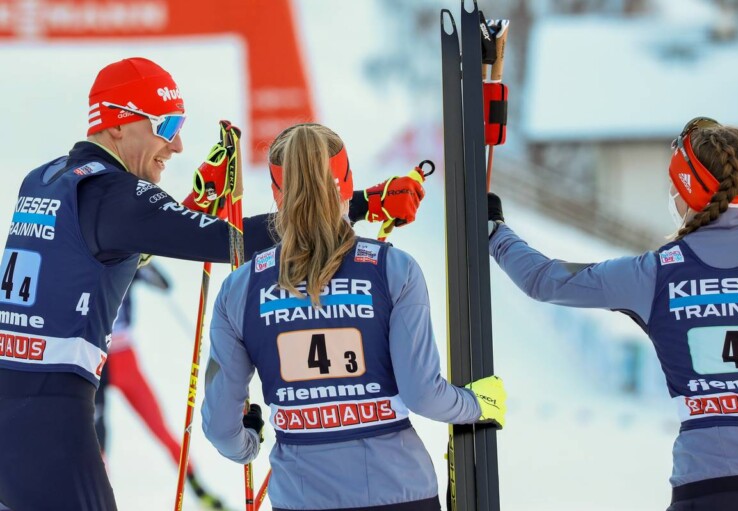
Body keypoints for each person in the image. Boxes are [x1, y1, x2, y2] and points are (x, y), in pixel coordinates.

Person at [0, 57, 427, 511]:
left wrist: (193, 205)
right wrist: (355, 204)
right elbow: (227, 241)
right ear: (119, 123)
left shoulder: (47, 180)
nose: (178, 144)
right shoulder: (114, 195)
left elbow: (109, 247)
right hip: (50, 417)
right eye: (167, 125)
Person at [201, 123, 507, 511]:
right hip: (400, 491)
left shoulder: (242, 287)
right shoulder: (394, 269)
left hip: (301, 497)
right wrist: (479, 404)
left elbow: (220, 426)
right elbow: (424, 394)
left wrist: (247, 444)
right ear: (347, 185)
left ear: (277, 194)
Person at [487, 117, 738, 511]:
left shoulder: (656, 273)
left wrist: (495, 232)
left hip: (709, 486)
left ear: (689, 189)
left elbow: (545, 279)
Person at [94, 262, 227, 509]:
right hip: (95, 359)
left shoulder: (126, 258)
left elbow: (164, 284)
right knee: (94, 433)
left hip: (124, 358)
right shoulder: (88, 258)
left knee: (158, 425)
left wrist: (142, 261)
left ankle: (197, 487)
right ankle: (97, 500)